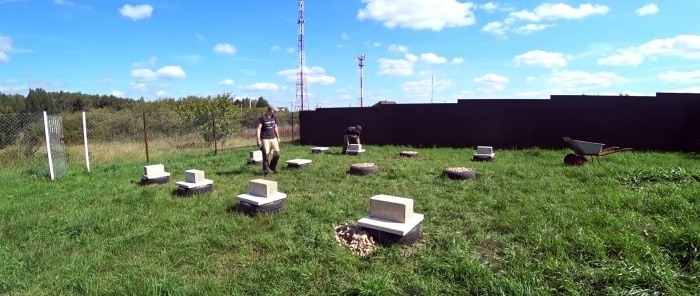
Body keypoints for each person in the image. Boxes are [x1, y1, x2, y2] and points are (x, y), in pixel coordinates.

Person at [256, 107, 281, 175]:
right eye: (275, 110)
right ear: (270, 110)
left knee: (277, 154)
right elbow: (258, 129)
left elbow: (275, 127)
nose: (276, 112)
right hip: (265, 139)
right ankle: (267, 170)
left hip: (274, 138)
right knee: (266, 156)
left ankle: (273, 167)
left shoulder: (274, 117)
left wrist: (278, 137)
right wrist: (258, 140)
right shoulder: (262, 118)